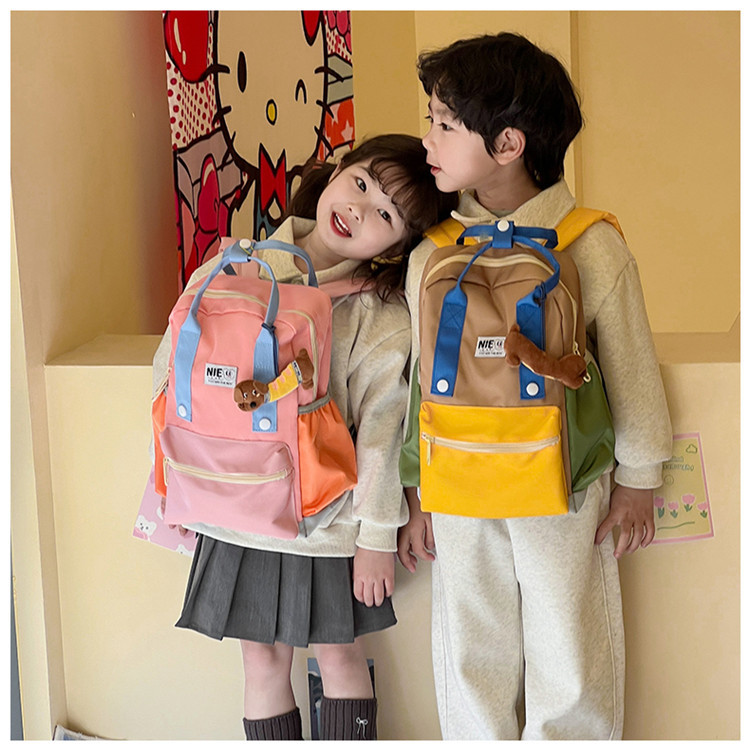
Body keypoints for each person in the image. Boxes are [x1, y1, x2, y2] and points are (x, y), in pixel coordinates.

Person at [396, 33, 672, 741]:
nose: (428, 138)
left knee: (567, 635)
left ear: (508, 144)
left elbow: (631, 366)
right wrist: (415, 488)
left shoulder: (590, 242)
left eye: (445, 124)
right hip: (459, 482)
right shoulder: (433, 252)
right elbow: (418, 386)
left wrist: (640, 478)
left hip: (564, 483)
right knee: (472, 642)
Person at [151, 134, 458, 741]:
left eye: (386, 215)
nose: (359, 209)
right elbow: (171, 377)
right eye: (361, 183)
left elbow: (381, 432)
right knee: (261, 661)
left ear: (397, 248)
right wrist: (180, 484)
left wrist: (376, 537)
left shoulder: (378, 315)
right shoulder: (231, 264)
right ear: (338, 169)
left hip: (325, 523)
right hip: (232, 508)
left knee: (339, 656)